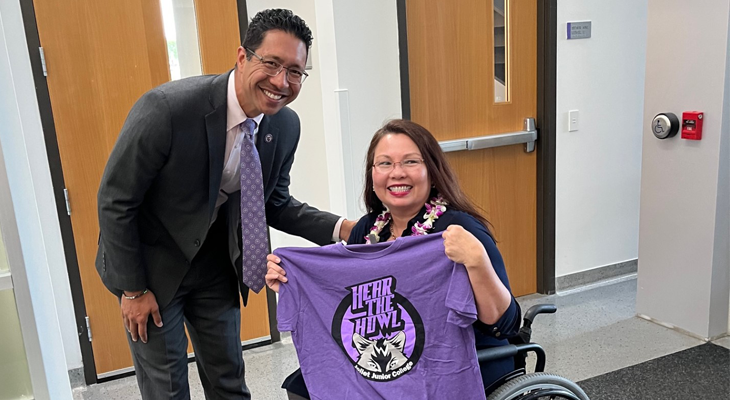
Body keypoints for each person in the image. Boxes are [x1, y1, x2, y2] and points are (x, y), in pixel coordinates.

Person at [96, 9, 355, 400]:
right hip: (152, 267)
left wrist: (344, 230)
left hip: (216, 264)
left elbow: (276, 203)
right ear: (242, 57)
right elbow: (115, 201)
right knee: (167, 390)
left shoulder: (284, 126)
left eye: (296, 71)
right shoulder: (167, 109)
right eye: (271, 63)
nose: (281, 81)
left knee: (230, 382)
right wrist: (132, 291)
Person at [266, 119, 522, 397]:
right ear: (372, 174)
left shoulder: (457, 230)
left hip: (462, 358)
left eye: (411, 162)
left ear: (432, 171)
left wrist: (477, 261)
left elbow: (506, 324)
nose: (397, 173)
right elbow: (345, 302)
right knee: (304, 385)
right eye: (385, 164)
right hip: (386, 356)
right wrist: (292, 280)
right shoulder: (368, 229)